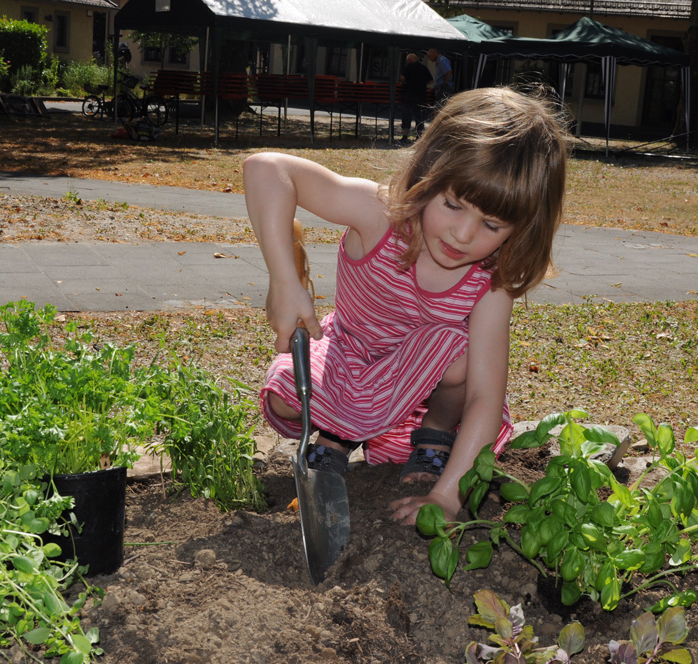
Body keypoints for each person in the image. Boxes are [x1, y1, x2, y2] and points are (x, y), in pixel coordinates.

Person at [243, 88, 568, 525]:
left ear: (523, 227)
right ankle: (337, 435)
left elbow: (483, 397)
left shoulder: (493, 279)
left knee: (464, 356)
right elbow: (266, 168)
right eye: (452, 204)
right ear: (427, 177)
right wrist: (284, 280)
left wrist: (447, 497)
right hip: (348, 355)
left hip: (420, 392)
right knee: (285, 397)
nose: (463, 234)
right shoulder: (379, 215)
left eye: (491, 224)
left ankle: (434, 436)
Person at [399, 52, 432, 142]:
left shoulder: (409, 67)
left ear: (409, 60)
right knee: (419, 116)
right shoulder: (424, 68)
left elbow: (402, 78)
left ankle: (405, 136)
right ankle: (419, 136)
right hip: (421, 95)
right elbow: (431, 81)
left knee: (407, 114)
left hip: (409, 94)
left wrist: (405, 82)